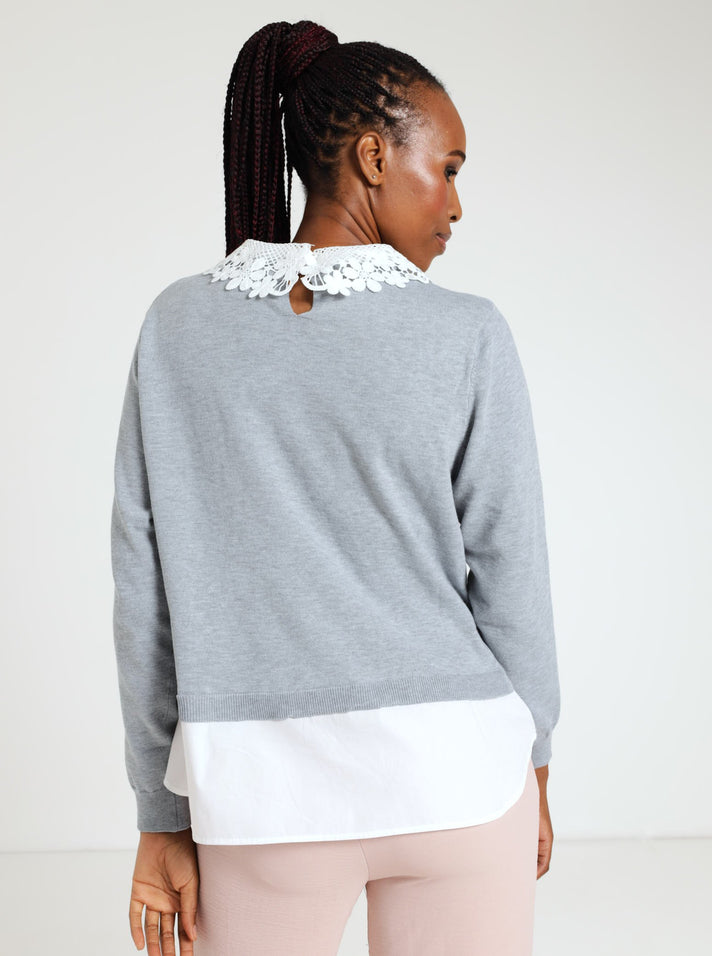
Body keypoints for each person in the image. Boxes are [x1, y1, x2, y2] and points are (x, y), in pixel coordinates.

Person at [110, 19, 561, 956]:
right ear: (372, 156)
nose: (456, 205)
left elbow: (143, 589)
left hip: (262, 797)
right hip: (460, 783)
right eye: (448, 169)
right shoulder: (468, 332)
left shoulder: (177, 327)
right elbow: (511, 571)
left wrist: (161, 811)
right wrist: (537, 767)